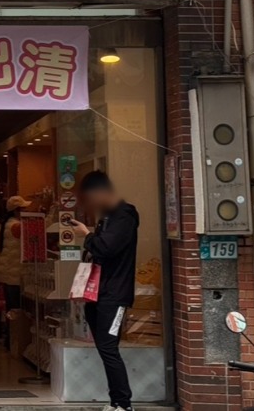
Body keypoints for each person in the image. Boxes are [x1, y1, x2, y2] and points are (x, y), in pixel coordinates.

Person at [68, 171, 139, 411]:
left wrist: (87, 236)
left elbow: (107, 248)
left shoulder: (125, 216)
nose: (90, 204)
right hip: (99, 292)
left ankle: (124, 404)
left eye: (89, 198)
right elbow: (100, 250)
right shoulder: (108, 217)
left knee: (108, 348)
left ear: (100, 192)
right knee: (104, 347)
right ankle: (116, 401)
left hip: (115, 294)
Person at [0, 195, 31, 348]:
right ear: (17, 211)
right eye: (23, 209)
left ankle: (11, 341)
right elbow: (35, 233)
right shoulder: (16, 226)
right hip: (15, 275)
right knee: (16, 310)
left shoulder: (7, 225)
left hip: (8, 274)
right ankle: (15, 341)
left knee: (11, 309)